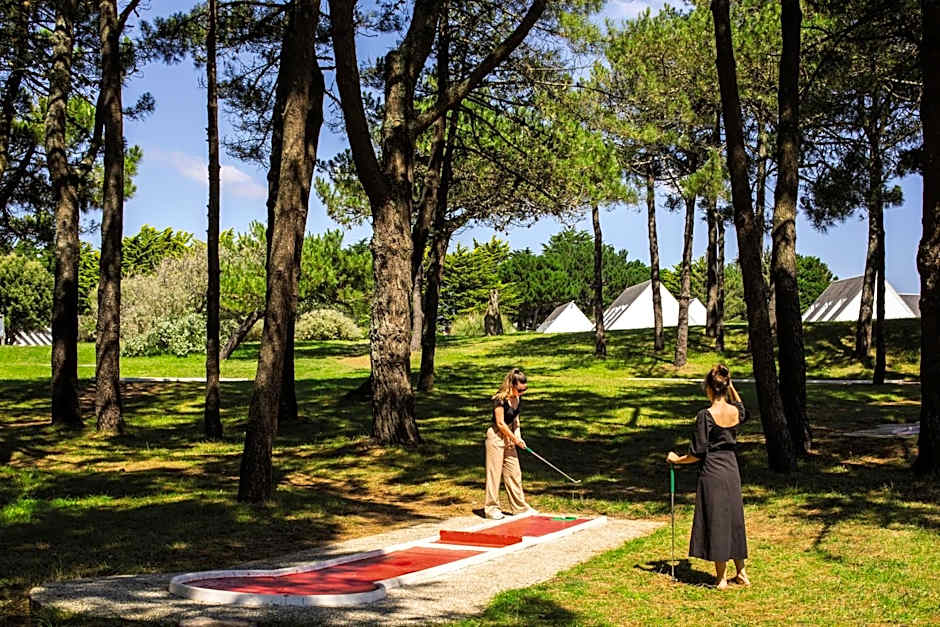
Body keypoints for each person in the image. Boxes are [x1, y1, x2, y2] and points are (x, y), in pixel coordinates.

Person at [666, 364, 750, 589]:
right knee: (734, 518)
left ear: (709, 388)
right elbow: (742, 408)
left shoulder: (706, 415)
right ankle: (741, 572)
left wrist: (676, 460)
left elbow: (697, 453)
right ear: (726, 386)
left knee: (717, 519)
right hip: (732, 469)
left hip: (713, 471)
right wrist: (731, 387)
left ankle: (721, 577)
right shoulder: (734, 412)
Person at [484, 367, 534, 520]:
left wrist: (518, 437)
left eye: (524, 390)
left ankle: (520, 507)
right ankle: (491, 509)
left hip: (510, 435)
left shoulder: (518, 399)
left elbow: (515, 421)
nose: (522, 393)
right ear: (511, 385)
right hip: (496, 437)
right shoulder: (499, 399)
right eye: (520, 390)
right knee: (494, 473)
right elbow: (500, 423)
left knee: (514, 472)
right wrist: (514, 438)